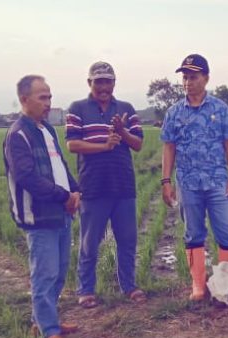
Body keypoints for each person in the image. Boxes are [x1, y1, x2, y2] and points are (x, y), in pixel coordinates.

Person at [3, 74, 81, 338]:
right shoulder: (18, 135)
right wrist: (63, 196)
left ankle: (44, 321)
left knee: (59, 272)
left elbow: (60, 167)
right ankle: (49, 332)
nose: (48, 103)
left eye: (49, 97)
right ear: (24, 100)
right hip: (39, 216)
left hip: (61, 212)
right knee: (45, 274)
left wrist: (75, 190)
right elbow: (27, 177)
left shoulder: (47, 130)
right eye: (42, 97)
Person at [160, 54, 228, 301]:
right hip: (188, 183)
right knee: (193, 233)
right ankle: (198, 285)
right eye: (185, 77)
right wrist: (166, 181)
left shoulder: (220, 108)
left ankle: (227, 284)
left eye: (193, 77)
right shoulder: (174, 112)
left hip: (218, 181)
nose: (188, 82)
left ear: (206, 78)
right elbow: (169, 148)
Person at [65, 61, 146, 308]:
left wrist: (122, 131)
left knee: (127, 240)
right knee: (90, 242)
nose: (103, 87)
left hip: (123, 185)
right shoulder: (77, 108)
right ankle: (86, 290)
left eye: (107, 82)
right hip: (93, 186)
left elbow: (138, 144)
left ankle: (129, 286)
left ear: (114, 83)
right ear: (89, 83)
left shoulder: (126, 108)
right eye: (98, 81)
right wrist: (104, 146)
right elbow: (72, 144)